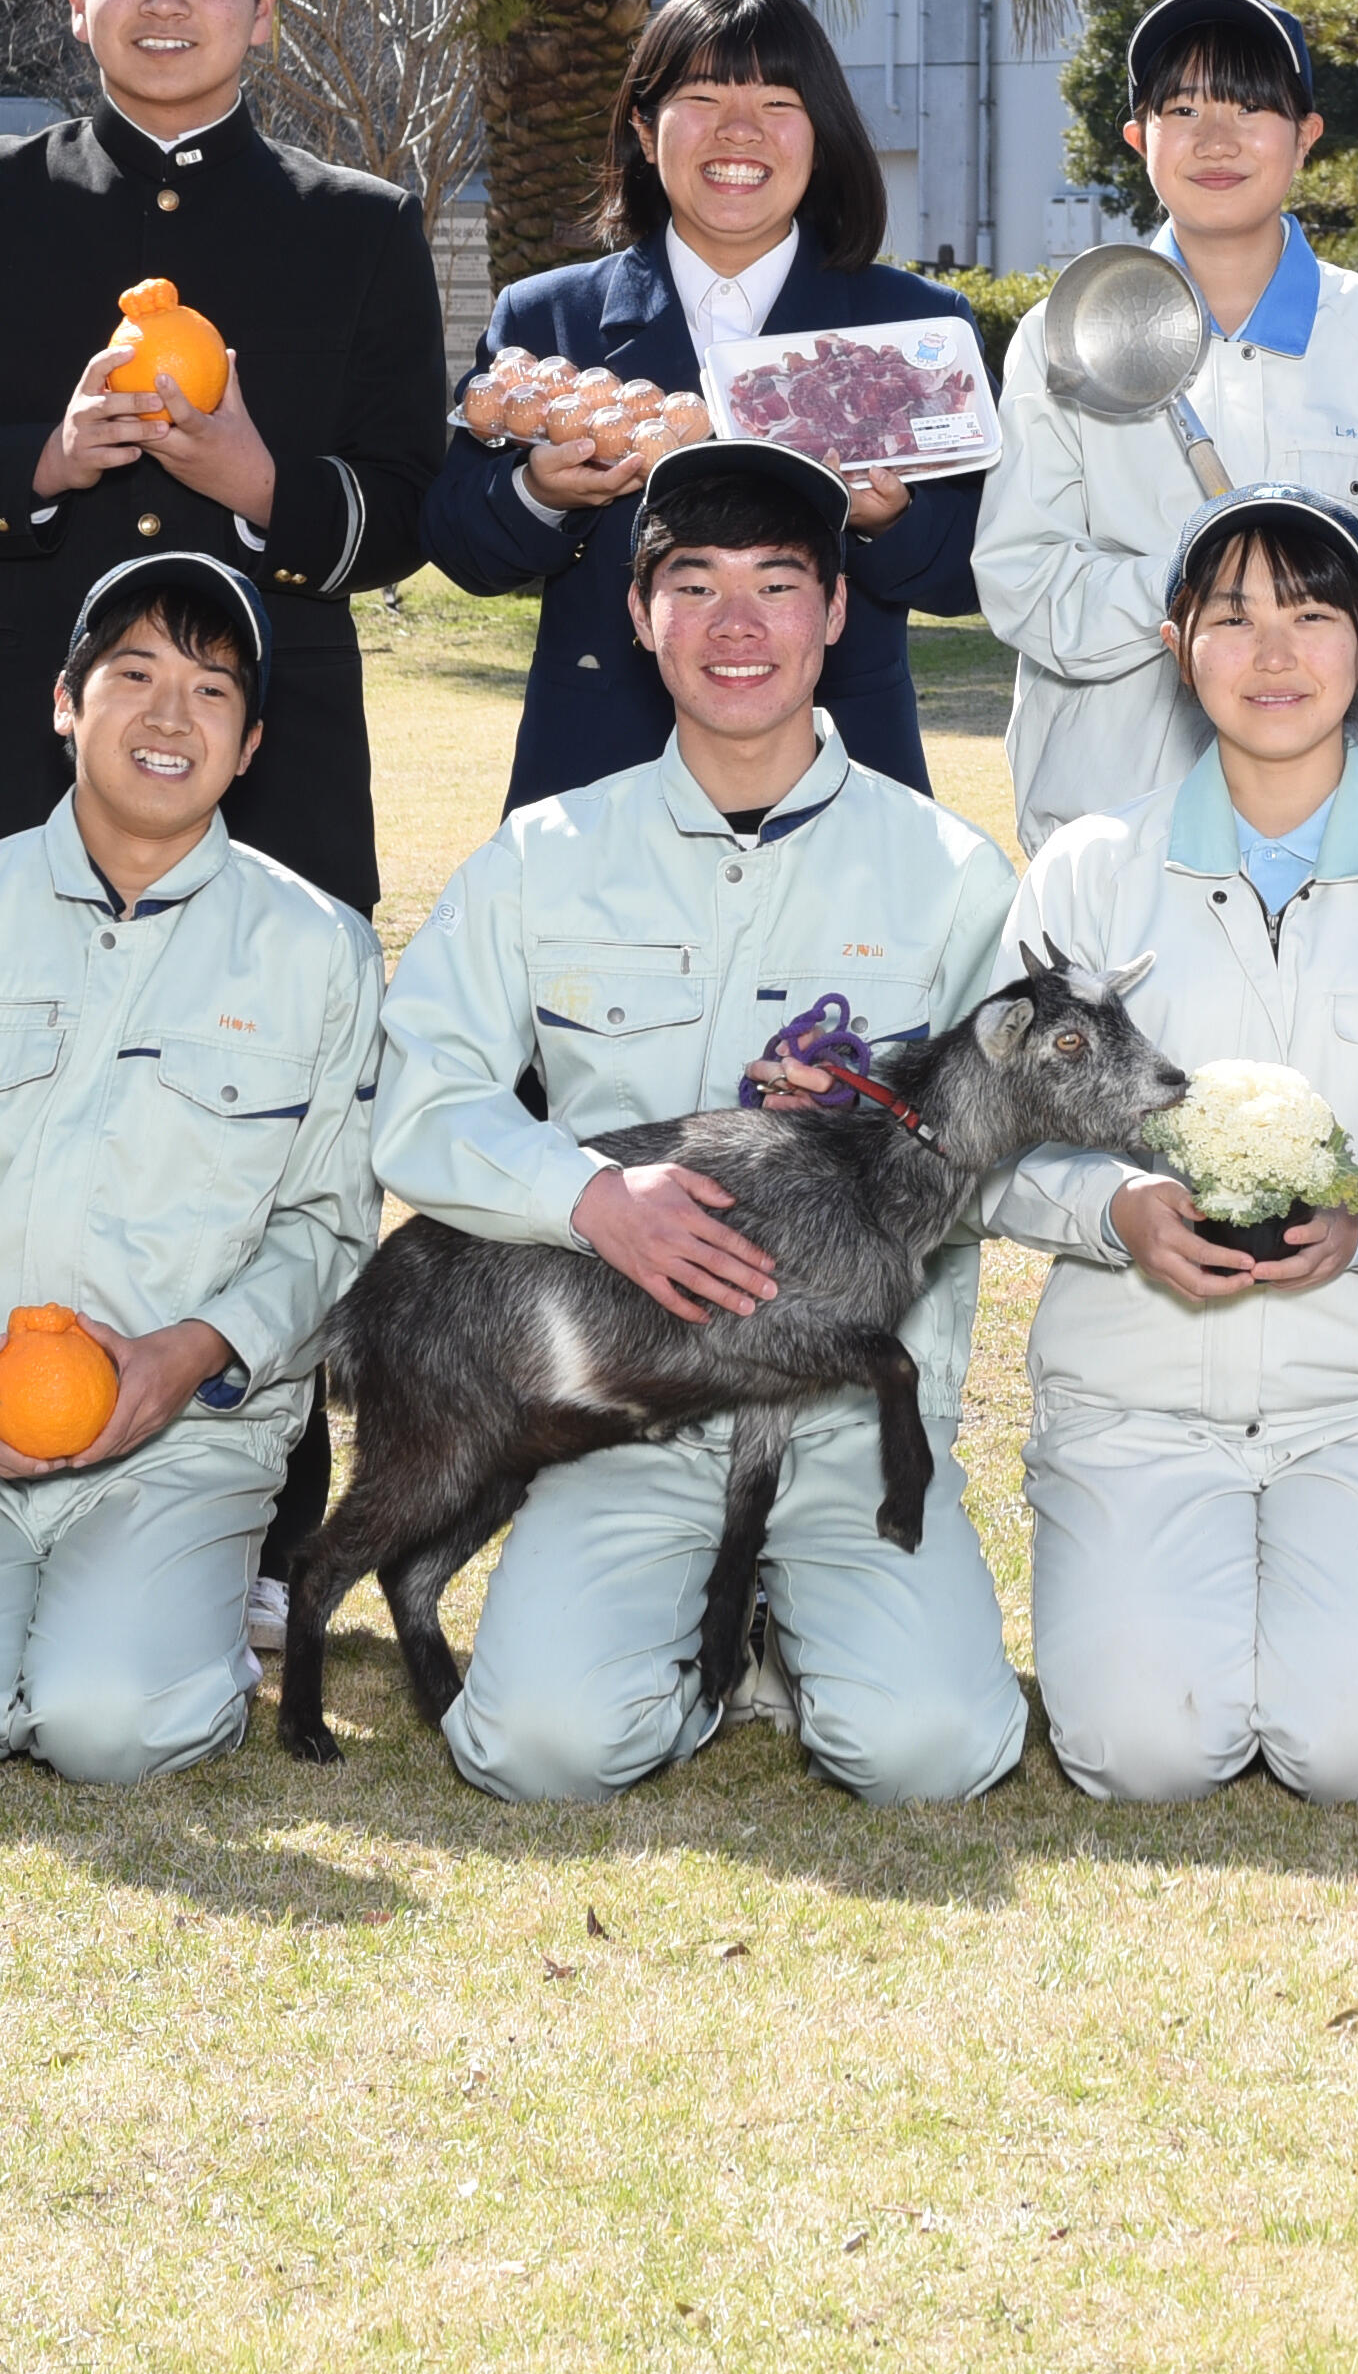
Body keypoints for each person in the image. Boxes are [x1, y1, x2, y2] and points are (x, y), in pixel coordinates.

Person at [368, 439, 1030, 1804]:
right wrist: (590, 1199)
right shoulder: (544, 859)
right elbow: (421, 1097)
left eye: (779, 585)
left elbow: (1009, 1160)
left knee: (934, 1755)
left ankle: (816, 1622)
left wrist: (879, 1134)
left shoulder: (951, 878)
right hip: (635, 1406)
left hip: (845, 1412)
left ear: (837, 612)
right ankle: (709, 1666)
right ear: (638, 614)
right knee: (541, 1751)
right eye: (694, 584)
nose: (738, 626)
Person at [990, 485, 1358, 1801]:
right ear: (1179, 640)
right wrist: (1116, 1211)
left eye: (1312, 616)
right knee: (1145, 1758)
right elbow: (993, 1141)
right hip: (1140, 1400)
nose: (1273, 654)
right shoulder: (1088, 871)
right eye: (1232, 616)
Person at [0, 553, 386, 1788]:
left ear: (254, 739)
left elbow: (327, 1231)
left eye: (213, 690)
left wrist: (189, 1355)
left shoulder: (319, 949)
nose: (171, 715)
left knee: (111, 1727)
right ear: (65, 702)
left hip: (188, 1439)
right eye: (134, 673)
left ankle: (159, 1627)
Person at [0, 0, 450, 903]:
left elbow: (409, 501)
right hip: (19, 745)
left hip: (279, 755)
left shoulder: (360, 225)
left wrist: (263, 486)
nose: (165, 0)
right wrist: (44, 460)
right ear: (79, 0)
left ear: (262, 7)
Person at [426, 0, 989, 808]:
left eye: (776, 102)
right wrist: (539, 493)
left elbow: (974, 572)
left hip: (844, 778)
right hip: (600, 773)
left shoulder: (912, 329)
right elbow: (463, 548)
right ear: (645, 134)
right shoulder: (551, 320)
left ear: (820, 136)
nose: (739, 130)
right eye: (701, 96)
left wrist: (886, 520)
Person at [975, 0, 1358, 838]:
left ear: (1306, 135)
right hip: (1120, 828)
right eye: (1183, 107)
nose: (1216, 137)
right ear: (1139, 138)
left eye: (1251, 105)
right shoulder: (1062, 335)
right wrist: (1192, 584)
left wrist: (1303, 576)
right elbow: (1023, 582)